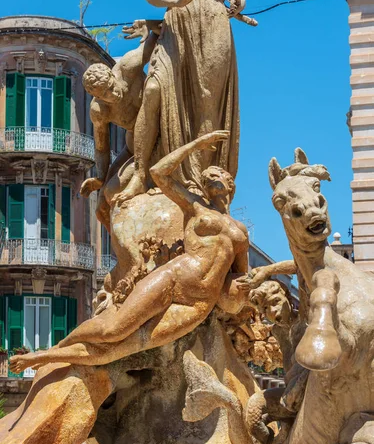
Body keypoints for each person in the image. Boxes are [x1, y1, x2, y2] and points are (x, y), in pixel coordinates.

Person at [10, 131, 251, 373]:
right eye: (207, 176)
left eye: (218, 173)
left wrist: (241, 293)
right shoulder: (196, 206)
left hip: (200, 303)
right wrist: (197, 144)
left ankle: (44, 359)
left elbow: (241, 277)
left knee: (127, 346)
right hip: (175, 276)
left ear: (231, 184)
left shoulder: (240, 232)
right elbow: (158, 172)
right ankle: (47, 354)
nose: (211, 177)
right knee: (113, 330)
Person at [118, 0, 244, 204]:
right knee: (152, 91)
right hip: (176, 27)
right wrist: (174, 1)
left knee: (206, 104)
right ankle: (140, 174)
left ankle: (201, 186)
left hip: (212, 25)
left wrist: (239, 0)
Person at [80, 20, 161, 229]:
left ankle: (141, 178)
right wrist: (99, 177)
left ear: (111, 75)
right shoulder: (99, 110)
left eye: (110, 87)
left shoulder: (128, 66)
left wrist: (148, 27)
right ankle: (127, 256)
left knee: (152, 89)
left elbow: (158, 36)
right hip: (135, 145)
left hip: (163, 131)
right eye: (103, 95)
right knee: (105, 199)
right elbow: (102, 148)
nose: (111, 95)